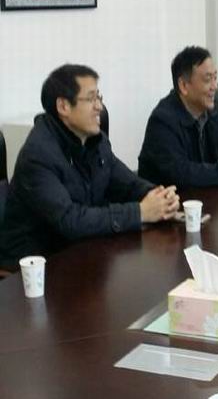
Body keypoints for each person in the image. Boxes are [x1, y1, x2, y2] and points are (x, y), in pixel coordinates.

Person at [0, 65, 180, 270]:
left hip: (80, 250)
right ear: (63, 106)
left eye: (99, 97)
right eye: (91, 99)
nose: (99, 107)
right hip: (34, 268)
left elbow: (128, 183)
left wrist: (159, 197)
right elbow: (70, 221)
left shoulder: (96, 141)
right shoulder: (38, 155)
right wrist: (140, 212)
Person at [138, 46, 218, 188]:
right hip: (171, 199)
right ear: (184, 85)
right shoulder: (162, 121)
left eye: (215, 78)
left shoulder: (211, 113)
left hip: (204, 197)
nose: (215, 87)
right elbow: (182, 174)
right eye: (208, 79)